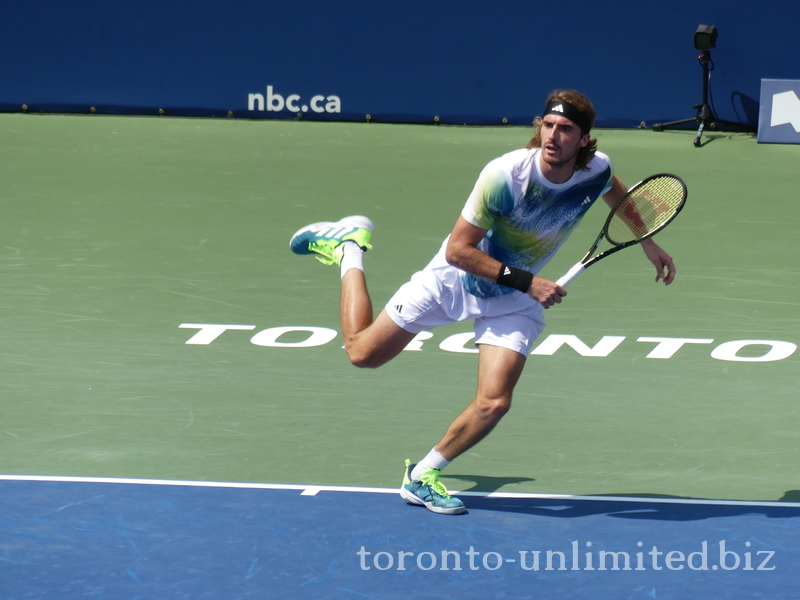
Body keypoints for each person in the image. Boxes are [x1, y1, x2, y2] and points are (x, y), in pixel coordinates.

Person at [289, 90, 676, 515]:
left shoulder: (596, 170)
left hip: (513, 301)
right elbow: (458, 250)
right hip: (455, 280)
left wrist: (648, 242)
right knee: (362, 354)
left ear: (584, 140)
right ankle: (349, 248)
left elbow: (615, 193)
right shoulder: (506, 175)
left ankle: (422, 476)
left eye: (565, 129)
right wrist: (528, 282)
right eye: (547, 125)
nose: (553, 136)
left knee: (494, 402)